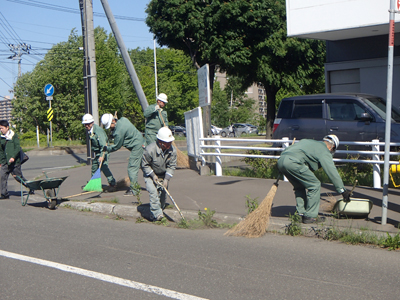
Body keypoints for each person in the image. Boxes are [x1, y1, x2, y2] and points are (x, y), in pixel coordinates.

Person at [277, 135, 351, 224]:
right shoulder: (324, 151)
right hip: (294, 163)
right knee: (314, 185)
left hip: (281, 161)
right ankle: (310, 216)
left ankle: (300, 213)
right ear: (333, 147)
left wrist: (283, 164)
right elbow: (332, 172)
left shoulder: (308, 142)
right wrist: (342, 190)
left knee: (299, 186)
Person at [101, 113, 145, 196]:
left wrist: (107, 148)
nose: (110, 127)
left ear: (113, 121)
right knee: (144, 165)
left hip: (136, 147)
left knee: (132, 168)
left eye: (110, 125)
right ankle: (155, 183)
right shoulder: (123, 119)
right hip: (141, 143)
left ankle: (134, 190)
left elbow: (117, 146)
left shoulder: (118, 131)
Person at [142, 127, 177, 221]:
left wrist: (166, 179)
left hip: (163, 174)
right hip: (150, 174)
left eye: (170, 142)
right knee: (153, 192)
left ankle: (158, 210)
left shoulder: (172, 151)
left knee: (162, 194)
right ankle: (158, 215)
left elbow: (172, 166)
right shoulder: (150, 150)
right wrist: (153, 175)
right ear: (160, 142)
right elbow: (145, 165)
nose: (169, 145)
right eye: (167, 143)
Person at [82, 113, 116, 192]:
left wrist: (102, 156)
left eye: (88, 124)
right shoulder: (90, 131)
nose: (87, 126)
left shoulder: (98, 131)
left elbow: (103, 145)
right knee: (94, 167)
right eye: (85, 124)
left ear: (92, 123)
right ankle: (94, 185)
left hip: (104, 151)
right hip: (98, 152)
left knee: (104, 167)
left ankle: (113, 184)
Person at [0, 120, 33, 199]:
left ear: (7, 127)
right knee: (2, 177)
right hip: (5, 162)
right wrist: (1, 162)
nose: (1, 130)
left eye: (2, 128)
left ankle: (31, 187)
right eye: (0, 129)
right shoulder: (1, 138)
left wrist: (13, 157)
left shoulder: (14, 136)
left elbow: (17, 148)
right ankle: (4, 194)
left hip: (14, 162)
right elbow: (0, 151)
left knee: (18, 177)